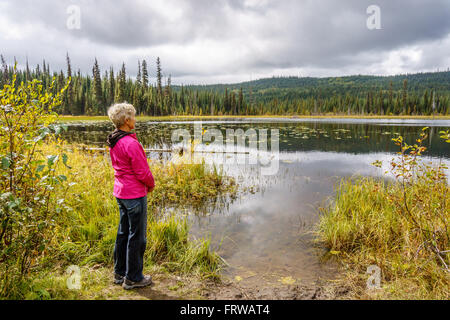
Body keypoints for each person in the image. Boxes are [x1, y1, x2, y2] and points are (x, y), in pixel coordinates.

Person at [106, 103, 155, 290]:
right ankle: (133, 278)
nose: (135, 119)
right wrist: (151, 185)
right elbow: (142, 172)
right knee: (137, 237)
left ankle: (119, 273)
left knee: (123, 233)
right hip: (134, 194)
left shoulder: (115, 140)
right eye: (133, 116)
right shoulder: (131, 143)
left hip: (121, 193)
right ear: (126, 121)